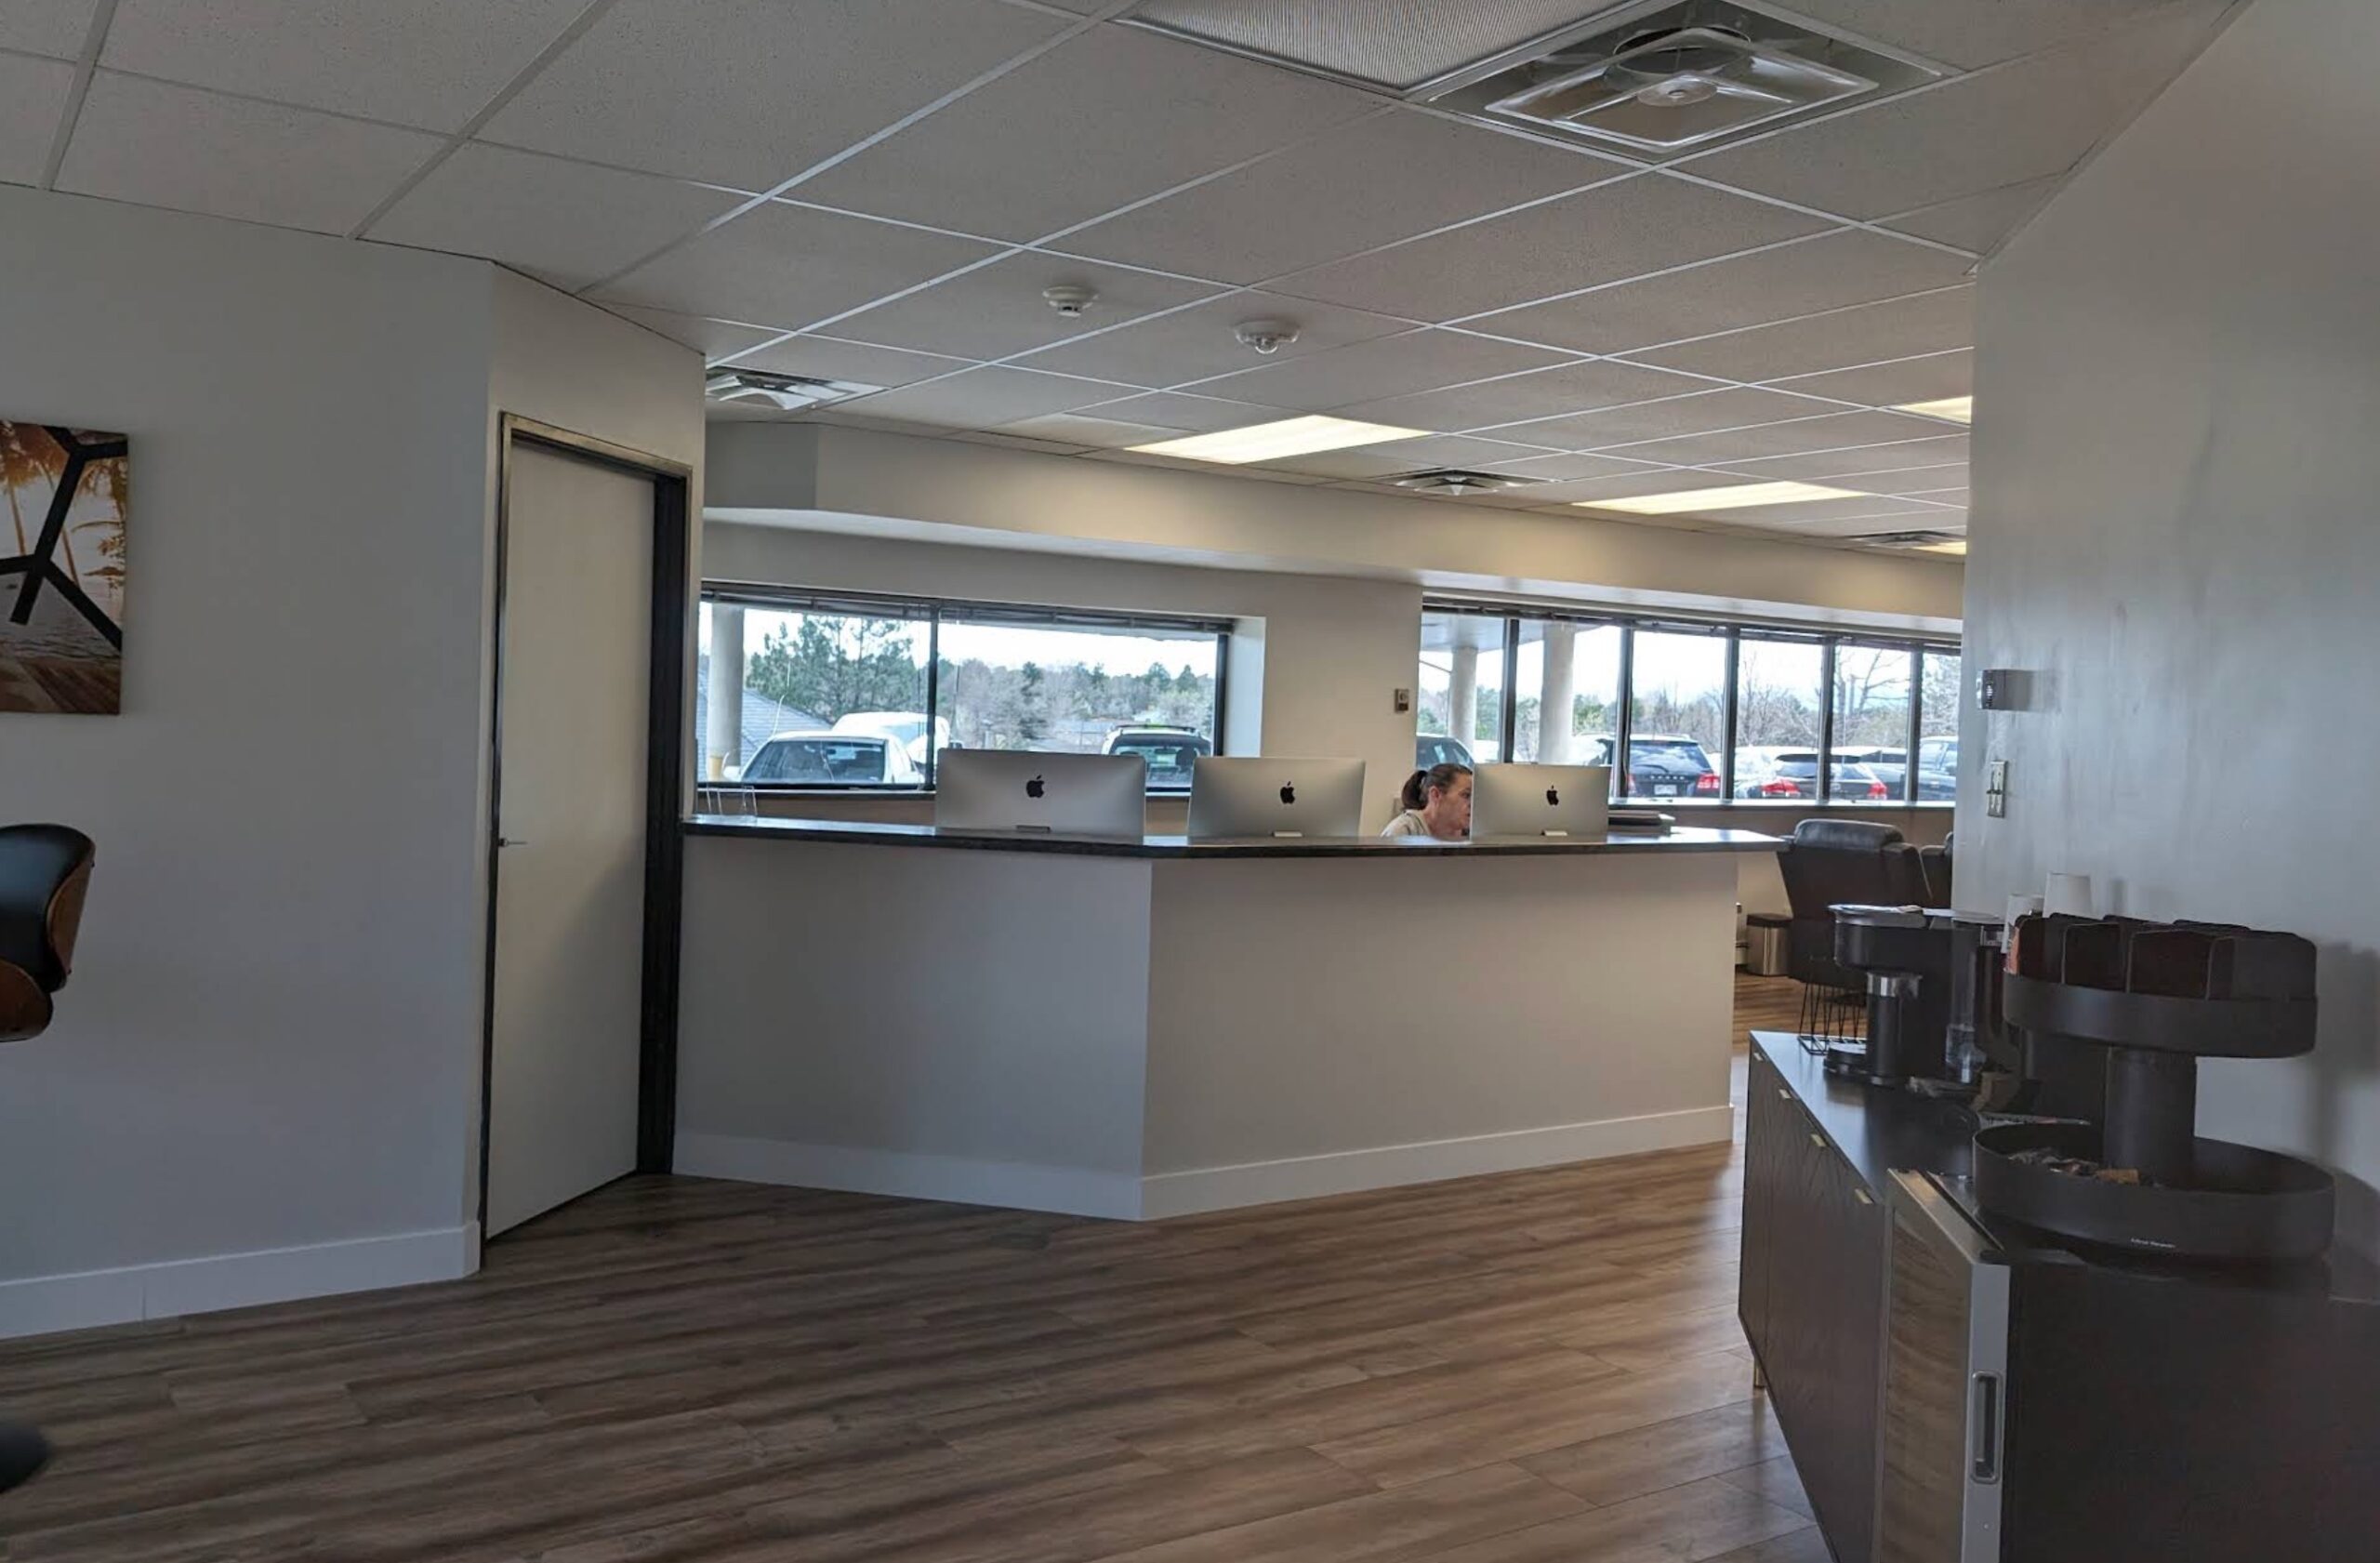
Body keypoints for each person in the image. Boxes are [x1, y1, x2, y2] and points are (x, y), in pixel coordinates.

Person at [1382, 762, 1473, 840]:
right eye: (1466, 795)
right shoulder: (1403, 831)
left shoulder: (1472, 833)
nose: (1472, 804)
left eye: (1474, 797)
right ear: (1435, 795)